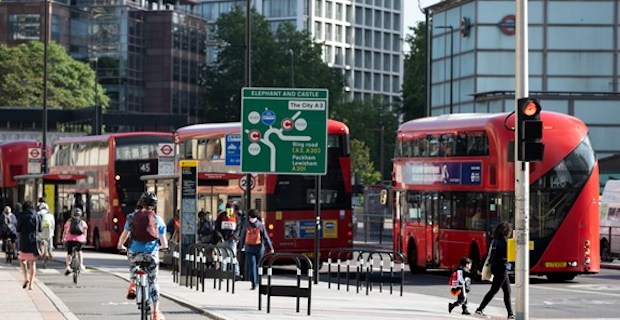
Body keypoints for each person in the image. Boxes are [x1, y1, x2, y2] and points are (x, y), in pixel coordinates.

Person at [117, 191, 168, 320]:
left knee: (133, 264)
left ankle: (133, 283)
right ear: (154, 205)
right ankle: (156, 312)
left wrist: (120, 246)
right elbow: (164, 243)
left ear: (141, 202)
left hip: (135, 253)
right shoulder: (158, 220)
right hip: (151, 255)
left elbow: (124, 235)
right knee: (154, 280)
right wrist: (163, 248)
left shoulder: (132, 217)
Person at [475, 222, 514, 319]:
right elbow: (506, 257)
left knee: (507, 291)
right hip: (501, 268)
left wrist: (480, 267)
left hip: (495, 267)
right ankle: (480, 309)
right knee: (494, 290)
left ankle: (510, 314)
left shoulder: (494, 241)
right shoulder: (505, 242)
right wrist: (510, 266)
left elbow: (487, 255)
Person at [239, 209, 273, 290]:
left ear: (249, 216)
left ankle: (254, 283)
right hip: (259, 248)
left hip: (249, 248)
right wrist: (270, 248)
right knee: (258, 265)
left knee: (252, 266)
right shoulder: (260, 225)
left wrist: (242, 246)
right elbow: (265, 237)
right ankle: (258, 281)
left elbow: (242, 236)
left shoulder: (246, 224)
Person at [16, 200, 41, 290]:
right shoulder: (36, 215)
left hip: (23, 240)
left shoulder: (21, 215)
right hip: (33, 241)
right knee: (32, 262)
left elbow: (18, 229)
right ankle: (31, 284)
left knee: (22, 260)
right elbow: (40, 229)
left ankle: (25, 278)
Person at [214, 202, 241, 277]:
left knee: (233, 257)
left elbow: (238, 229)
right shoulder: (221, 216)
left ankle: (236, 274)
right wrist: (220, 237)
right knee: (223, 258)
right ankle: (223, 273)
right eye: (228, 209)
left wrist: (234, 237)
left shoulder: (236, 217)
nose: (230, 210)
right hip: (223, 240)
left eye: (231, 209)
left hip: (232, 241)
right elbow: (217, 228)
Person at [62, 208, 88, 275]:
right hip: (79, 240)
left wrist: (63, 238)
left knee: (69, 253)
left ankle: (67, 266)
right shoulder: (82, 222)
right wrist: (84, 238)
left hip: (69, 239)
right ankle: (81, 265)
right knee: (79, 251)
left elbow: (65, 231)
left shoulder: (69, 222)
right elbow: (85, 232)